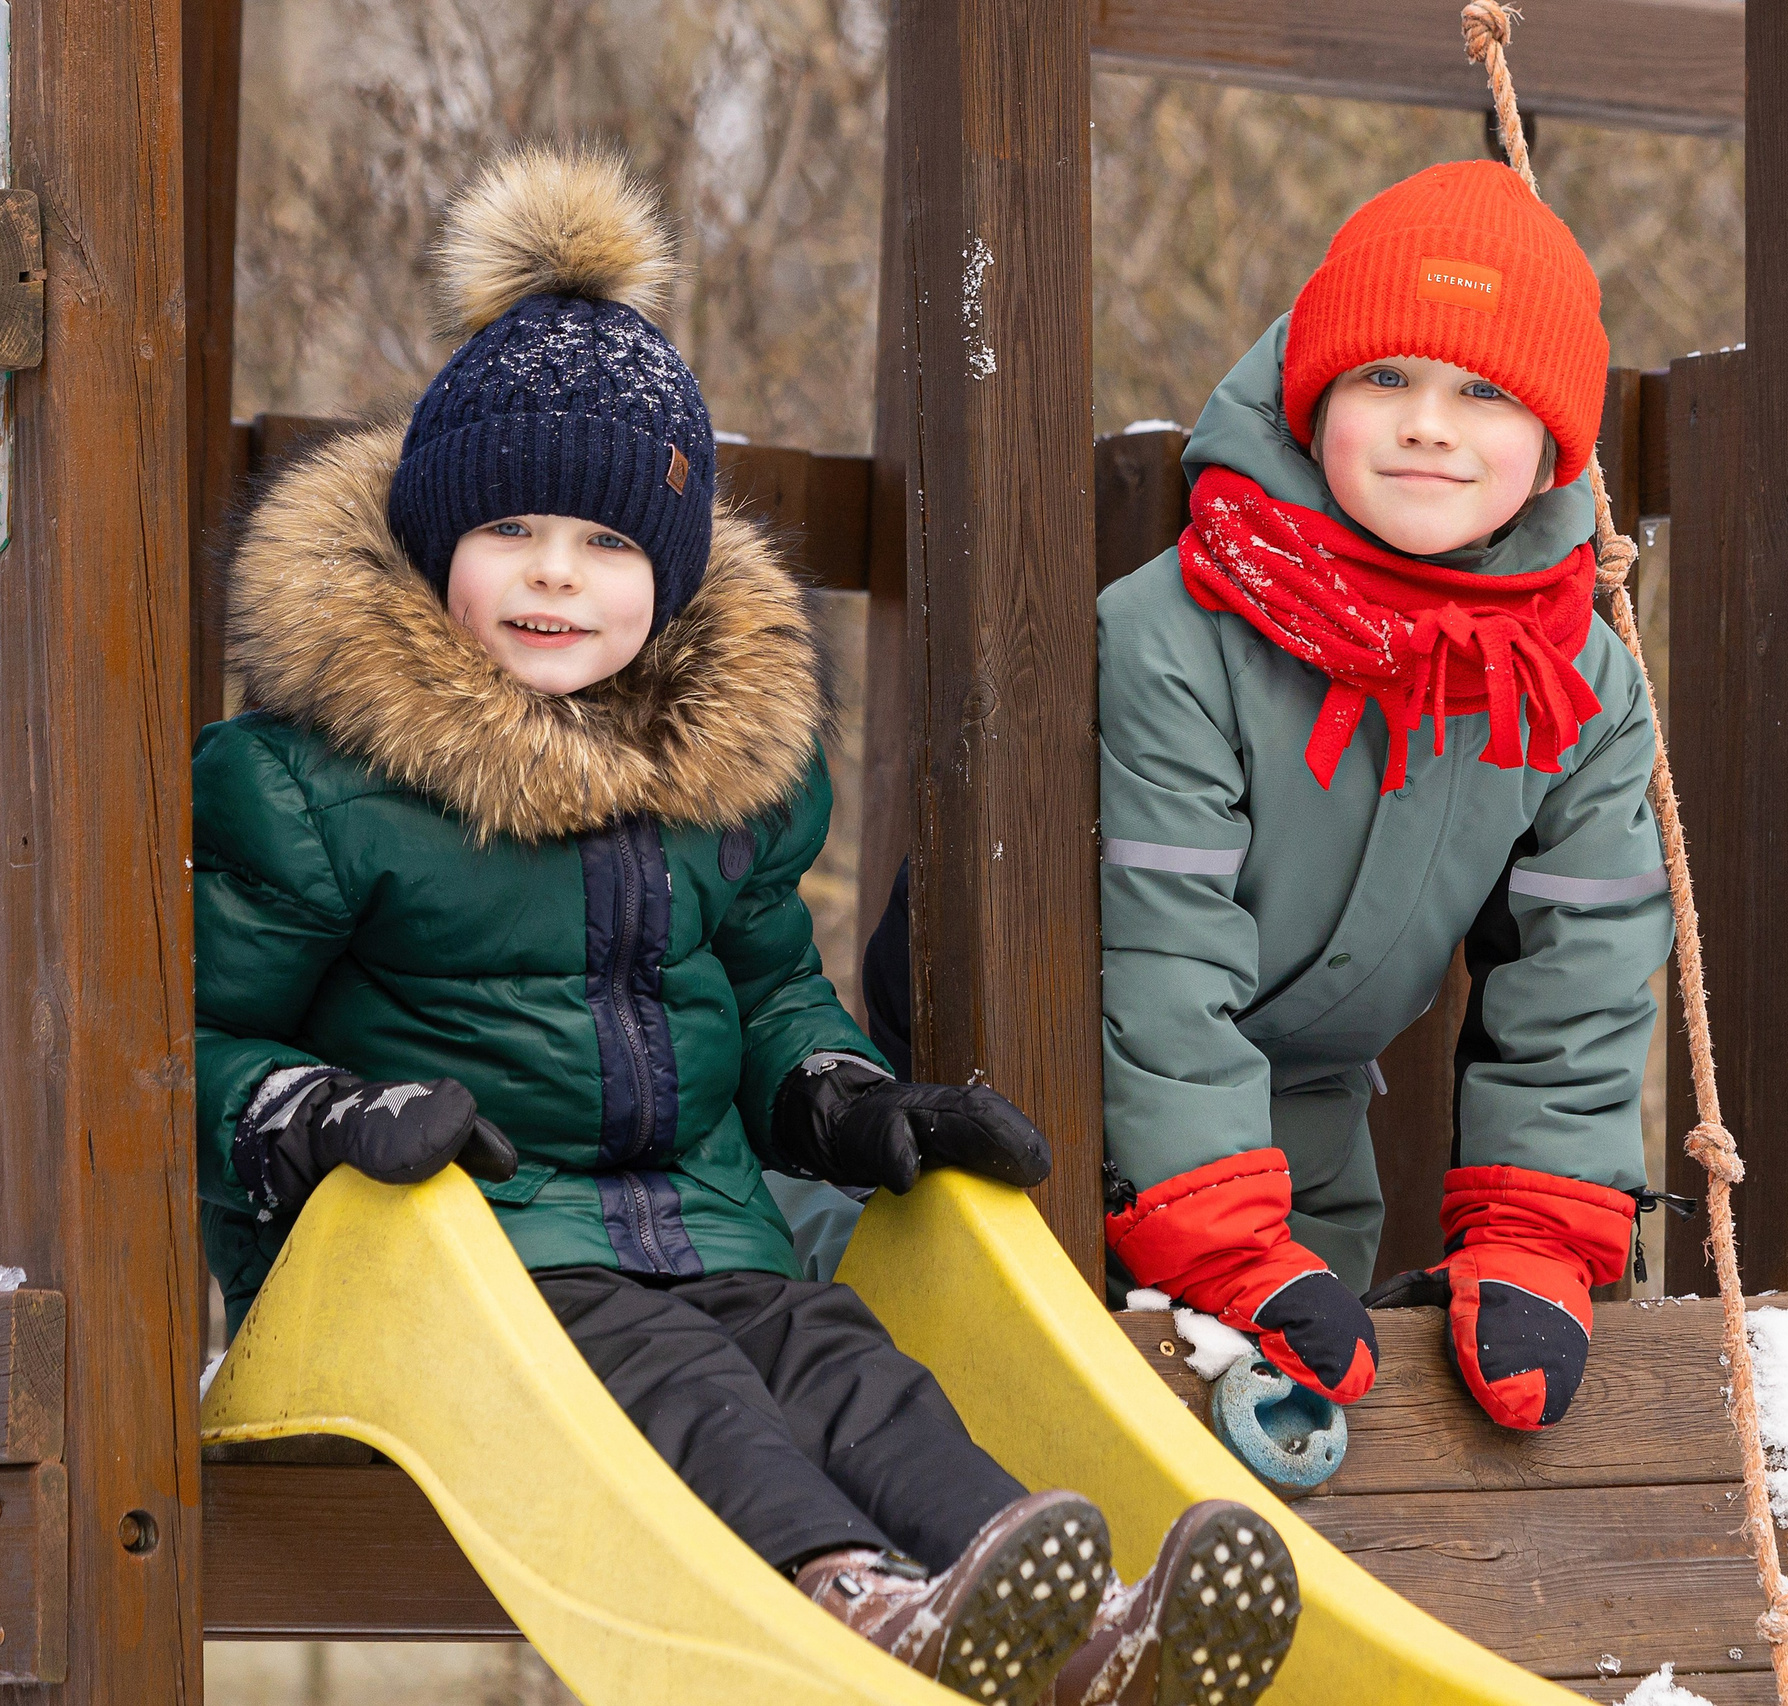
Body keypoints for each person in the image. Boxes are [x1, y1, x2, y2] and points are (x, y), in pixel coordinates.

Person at [192, 145, 1297, 1706]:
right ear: (435, 548)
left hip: (705, 1236)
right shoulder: (318, 788)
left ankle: (1071, 1613)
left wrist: (842, 1098)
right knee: (689, 1377)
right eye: (511, 532)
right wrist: (319, 1112)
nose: (556, 576)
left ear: (670, 579)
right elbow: (192, 1043)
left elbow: (774, 998)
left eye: (609, 545)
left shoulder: (717, 789)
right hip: (455, 1274)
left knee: (843, 1362)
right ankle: (855, 1595)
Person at [865, 159, 1676, 1433]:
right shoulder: (1180, 631)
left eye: (1483, 391)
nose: (1428, 423)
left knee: (1311, 1419)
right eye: (1384, 377)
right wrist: (1219, 1230)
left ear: (1551, 449)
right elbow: (1160, 943)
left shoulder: (1573, 679)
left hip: (1299, 1105)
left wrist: (1537, 1232)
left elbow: (1581, 969)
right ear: (1312, 401)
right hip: (1038, 1078)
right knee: (1048, 1399)